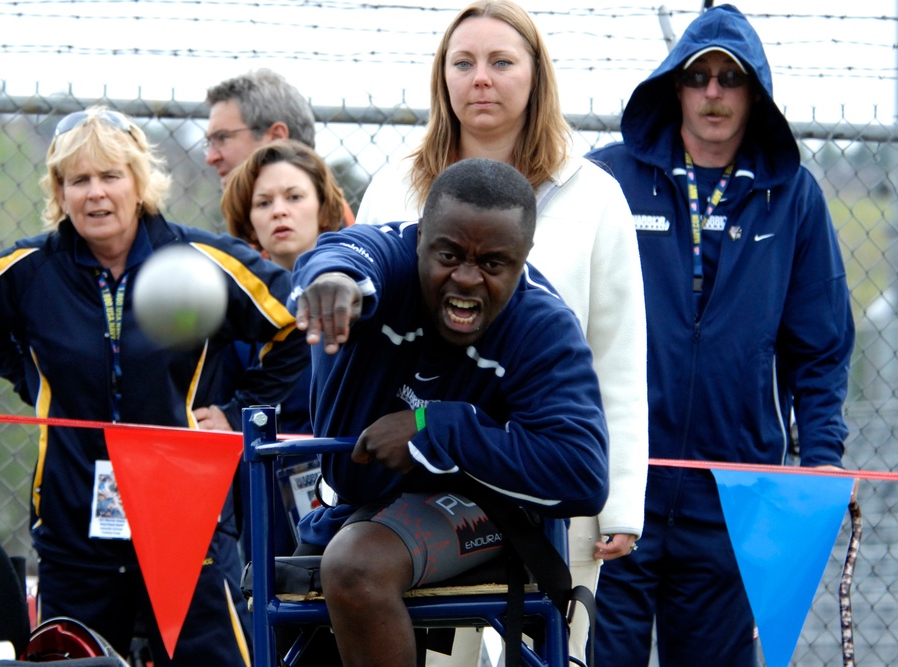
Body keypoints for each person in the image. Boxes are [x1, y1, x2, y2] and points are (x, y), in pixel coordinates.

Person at [0, 106, 308, 667]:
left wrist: (238, 412)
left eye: (111, 175)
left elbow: (294, 324)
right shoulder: (28, 271)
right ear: (59, 192)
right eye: (78, 180)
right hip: (72, 516)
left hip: (183, 512)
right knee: (75, 659)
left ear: (140, 182)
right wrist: (32, 381)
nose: (96, 194)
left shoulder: (199, 260)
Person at [355, 0, 649, 660]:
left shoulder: (595, 194)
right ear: (442, 78)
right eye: (463, 62)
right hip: (420, 477)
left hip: (543, 475)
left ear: (536, 75)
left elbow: (619, 357)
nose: (480, 77)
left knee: (548, 651)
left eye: (501, 61)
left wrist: (621, 502)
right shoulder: (395, 185)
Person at [585, 6, 855, 665]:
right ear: (673, 85)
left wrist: (820, 458)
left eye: (729, 79)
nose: (712, 92)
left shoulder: (793, 198)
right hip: (614, 485)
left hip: (734, 494)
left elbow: (818, 347)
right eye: (697, 76)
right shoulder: (607, 181)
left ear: (754, 92)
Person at [291, 157, 610, 667]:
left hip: (472, 501)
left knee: (356, 567)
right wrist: (332, 279)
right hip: (353, 501)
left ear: (524, 258)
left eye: (492, 264)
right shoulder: (388, 262)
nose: (466, 278)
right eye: (448, 254)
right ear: (420, 237)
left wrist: (432, 428)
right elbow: (347, 251)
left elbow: (582, 472)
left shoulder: (542, 325)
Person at [221, 139, 347, 554]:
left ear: (323, 208)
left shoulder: (361, 297)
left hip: (344, 498)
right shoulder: (228, 310)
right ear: (247, 220)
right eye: (264, 202)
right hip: (255, 508)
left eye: (294, 197)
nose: (279, 210)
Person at [204, 68, 356, 225]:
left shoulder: (322, 236)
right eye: (264, 203)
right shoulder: (269, 232)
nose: (211, 157)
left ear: (277, 138)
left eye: (222, 138)